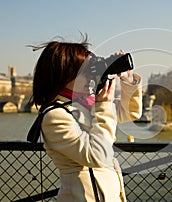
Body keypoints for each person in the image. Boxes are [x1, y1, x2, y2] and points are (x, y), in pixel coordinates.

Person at [30, 36, 142, 201]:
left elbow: (130, 112)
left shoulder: (86, 102)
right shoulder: (55, 116)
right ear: (64, 75)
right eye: (85, 71)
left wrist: (127, 80)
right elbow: (96, 156)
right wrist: (103, 106)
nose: (91, 76)